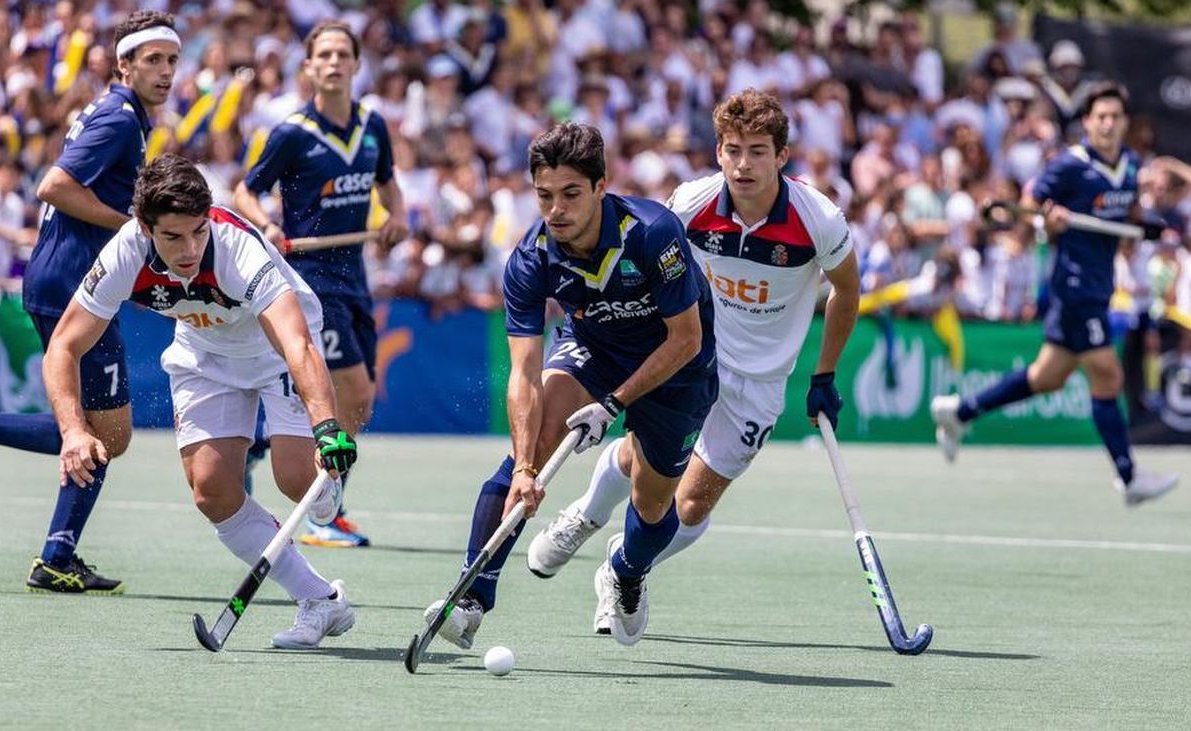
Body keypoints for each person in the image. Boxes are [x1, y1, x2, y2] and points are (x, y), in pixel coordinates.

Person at [526, 90, 860, 633]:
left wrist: (824, 373)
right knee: (644, 460)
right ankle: (586, 514)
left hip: (759, 382)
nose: (743, 164)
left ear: (781, 156)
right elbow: (643, 252)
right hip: (689, 353)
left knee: (690, 505)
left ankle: (623, 567)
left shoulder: (817, 218)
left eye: (758, 151)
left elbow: (847, 290)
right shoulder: (690, 203)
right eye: (733, 150)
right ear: (719, 152)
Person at [0, 11, 180, 593]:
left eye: (171, 60)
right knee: (103, 435)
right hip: (72, 285)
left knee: (103, 434)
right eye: (153, 59)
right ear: (124, 64)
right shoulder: (119, 119)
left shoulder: (122, 115)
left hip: (74, 280)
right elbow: (52, 185)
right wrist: (132, 227)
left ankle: (53, 548)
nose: (165, 71)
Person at [423, 122, 719, 648]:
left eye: (571, 194)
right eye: (544, 196)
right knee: (534, 446)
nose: (556, 210)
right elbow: (524, 374)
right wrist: (524, 467)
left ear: (601, 186)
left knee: (653, 504)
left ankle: (626, 570)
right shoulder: (530, 259)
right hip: (595, 349)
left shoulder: (653, 232)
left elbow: (687, 339)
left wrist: (613, 403)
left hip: (677, 368)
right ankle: (470, 600)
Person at [51, 154, 358, 648]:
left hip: (276, 349)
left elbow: (296, 343)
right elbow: (64, 346)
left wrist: (326, 428)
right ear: (145, 228)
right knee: (211, 490)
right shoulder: (124, 254)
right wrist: (72, 430)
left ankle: (327, 486)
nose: (190, 248)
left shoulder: (237, 249)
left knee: (297, 478)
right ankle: (320, 600)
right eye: (173, 237)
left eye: (198, 232)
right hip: (204, 351)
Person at [931, 83, 1178, 505]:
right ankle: (1128, 476)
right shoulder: (1070, 165)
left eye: (1115, 117)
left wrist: (1143, 228)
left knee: (1047, 376)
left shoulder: (1131, 166)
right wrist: (1047, 221)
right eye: (1100, 117)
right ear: (1088, 122)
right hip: (1074, 285)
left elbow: (1129, 217)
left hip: (1101, 283)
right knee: (1107, 373)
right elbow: (1031, 203)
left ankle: (959, 412)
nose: (1108, 124)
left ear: (1125, 122)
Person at [235, 20, 408, 548]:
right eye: (324, 55)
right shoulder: (291, 133)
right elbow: (245, 192)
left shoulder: (372, 126)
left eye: (342, 54)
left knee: (360, 404)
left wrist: (397, 217)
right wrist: (266, 225)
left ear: (356, 64)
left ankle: (266, 447)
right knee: (350, 391)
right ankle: (319, 513)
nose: (333, 63)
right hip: (310, 280)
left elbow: (389, 187)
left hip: (356, 277)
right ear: (309, 67)